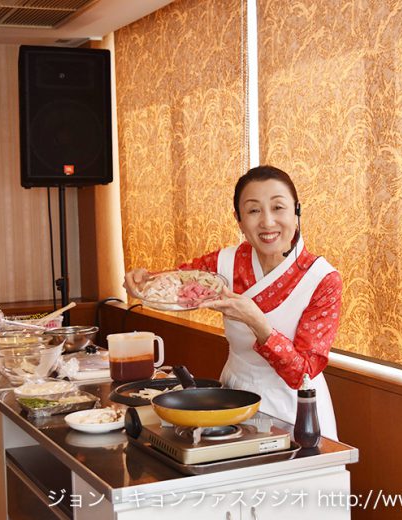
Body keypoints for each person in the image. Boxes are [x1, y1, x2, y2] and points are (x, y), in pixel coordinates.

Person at [125, 165, 341, 439]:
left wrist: (256, 320)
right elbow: (175, 283)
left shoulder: (322, 279)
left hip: (296, 412)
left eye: (278, 208)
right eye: (253, 211)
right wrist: (142, 279)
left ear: (296, 212)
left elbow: (304, 375)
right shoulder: (224, 263)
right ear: (238, 219)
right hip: (232, 403)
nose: (267, 222)